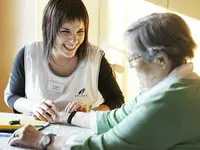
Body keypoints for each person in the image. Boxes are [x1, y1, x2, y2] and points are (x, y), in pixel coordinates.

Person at [8, 12, 200, 150]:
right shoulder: (177, 88)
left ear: (161, 60)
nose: (131, 66)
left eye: (133, 57)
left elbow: (107, 146)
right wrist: (62, 116)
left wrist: (42, 140)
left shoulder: (168, 101)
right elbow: (117, 117)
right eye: (65, 31)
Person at [4, 0, 124, 122]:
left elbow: (117, 100)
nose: (74, 40)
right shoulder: (29, 54)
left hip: (80, 131)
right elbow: (12, 97)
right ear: (49, 29)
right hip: (35, 130)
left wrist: (90, 113)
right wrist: (34, 106)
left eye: (80, 32)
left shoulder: (95, 57)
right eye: (65, 32)